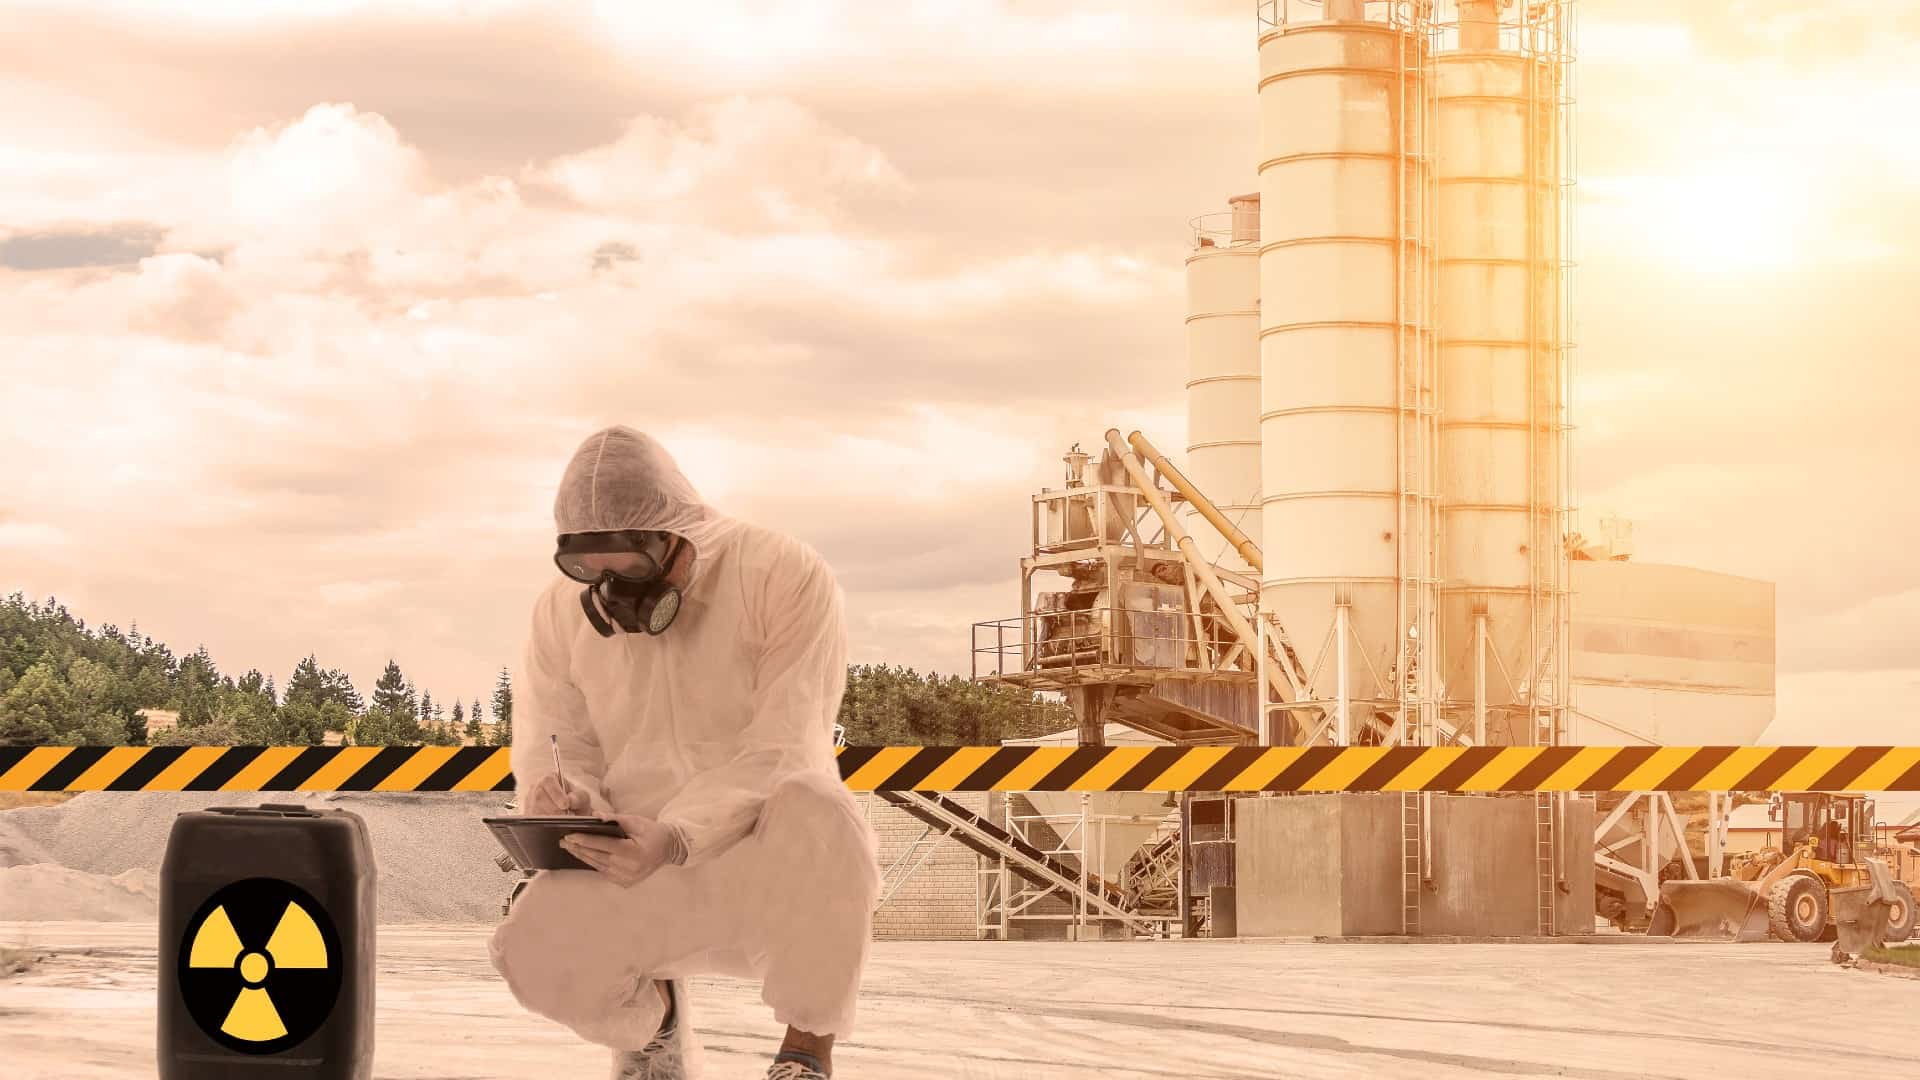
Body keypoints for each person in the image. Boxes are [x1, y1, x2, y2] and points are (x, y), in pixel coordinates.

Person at [488, 425, 882, 1080]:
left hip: (765, 859)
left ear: (676, 536)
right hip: (633, 864)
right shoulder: (558, 614)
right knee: (529, 953)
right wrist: (566, 798)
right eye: (590, 569)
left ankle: (805, 1051)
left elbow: (787, 745)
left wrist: (676, 836)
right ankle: (652, 1020)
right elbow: (553, 740)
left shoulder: (779, 572)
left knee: (819, 807)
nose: (612, 590)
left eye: (631, 567)